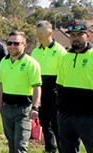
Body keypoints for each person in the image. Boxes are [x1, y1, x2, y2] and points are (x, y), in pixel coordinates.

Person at [0, 31, 42, 153]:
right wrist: (0, 104)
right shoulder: (3, 61)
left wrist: (35, 107)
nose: (12, 46)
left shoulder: (31, 63)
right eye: (9, 43)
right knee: (11, 145)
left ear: (24, 45)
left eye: (16, 43)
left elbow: (37, 87)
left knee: (20, 146)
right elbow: (0, 83)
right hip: (6, 109)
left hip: (23, 111)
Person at [56, 21, 93, 153]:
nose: (75, 38)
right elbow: (60, 85)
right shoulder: (64, 58)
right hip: (66, 115)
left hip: (88, 115)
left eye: (79, 34)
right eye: (72, 35)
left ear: (87, 36)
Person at [31, 20, 66, 153]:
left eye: (41, 33)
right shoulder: (35, 52)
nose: (39, 36)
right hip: (40, 91)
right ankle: (50, 149)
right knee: (45, 123)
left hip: (55, 91)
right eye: (37, 33)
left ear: (50, 33)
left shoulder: (60, 51)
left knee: (56, 124)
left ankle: (63, 149)